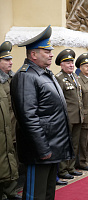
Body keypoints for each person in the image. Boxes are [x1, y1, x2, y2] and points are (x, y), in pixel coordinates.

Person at [10, 25, 74, 200]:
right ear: (33, 54)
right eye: (46, 51)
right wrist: (43, 149)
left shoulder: (44, 74)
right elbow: (28, 117)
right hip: (39, 151)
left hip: (52, 147)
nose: (51, 54)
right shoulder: (26, 76)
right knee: (35, 195)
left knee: (47, 194)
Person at [55, 49, 83, 179]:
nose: (71, 65)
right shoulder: (59, 78)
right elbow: (58, 100)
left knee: (74, 143)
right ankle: (63, 170)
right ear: (61, 65)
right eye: (67, 63)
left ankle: (71, 167)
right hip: (66, 118)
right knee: (65, 144)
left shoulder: (75, 77)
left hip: (77, 116)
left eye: (72, 62)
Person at [0, 42, 19, 200]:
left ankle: (11, 191)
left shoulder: (13, 77)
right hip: (3, 129)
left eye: (11, 59)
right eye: (6, 60)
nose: (11, 62)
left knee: (12, 159)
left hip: (13, 127)